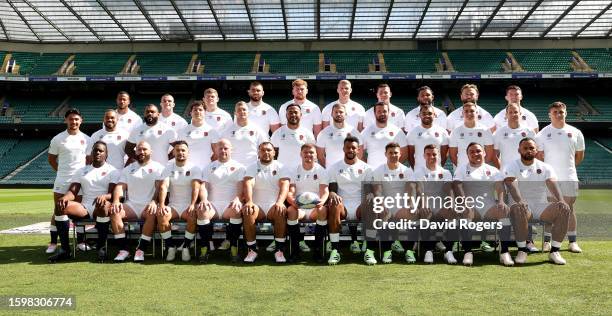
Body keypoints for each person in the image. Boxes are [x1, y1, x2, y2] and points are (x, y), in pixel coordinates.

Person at [503, 138, 571, 265]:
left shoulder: (545, 167)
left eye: (531, 148)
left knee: (564, 208)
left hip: (540, 206)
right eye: (525, 148)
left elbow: (552, 184)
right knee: (519, 208)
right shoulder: (511, 165)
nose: (529, 150)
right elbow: (511, 183)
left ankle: (554, 251)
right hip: (520, 206)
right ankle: (522, 250)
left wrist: (561, 201)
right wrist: (520, 201)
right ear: (519, 150)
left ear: (536, 150)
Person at [49, 141, 118, 262]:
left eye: (101, 150)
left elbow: (112, 194)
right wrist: (65, 198)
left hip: (101, 206)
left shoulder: (112, 171)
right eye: (95, 150)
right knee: (60, 206)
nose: (97, 152)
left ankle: (101, 249)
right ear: (91, 153)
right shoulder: (82, 171)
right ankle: (65, 250)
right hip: (85, 207)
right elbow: (72, 192)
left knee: (103, 206)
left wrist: (105, 197)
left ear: (106, 154)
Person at [536, 101, 585, 253]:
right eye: (555, 112)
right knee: (551, 209)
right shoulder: (542, 134)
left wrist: (568, 169)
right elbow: (539, 157)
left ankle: (572, 242)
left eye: (561, 112)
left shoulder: (576, 132)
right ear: (550, 114)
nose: (558, 114)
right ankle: (547, 241)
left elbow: (579, 156)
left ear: (565, 113)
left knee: (569, 209)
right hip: (551, 179)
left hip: (569, 177)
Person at [452, 142, 509, 266]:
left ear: (484, 153)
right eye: (471, 152)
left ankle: (504, 252)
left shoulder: (493, 170)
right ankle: (468, 252)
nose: (475, 154)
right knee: (466, 212)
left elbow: (500, 187)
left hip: (488, 206)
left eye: (478, 151)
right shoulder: (461, 169)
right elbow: (457, 186)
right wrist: (464, 202)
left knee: (504, 210)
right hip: (470, 206)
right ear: (467, 155)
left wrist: (501, 201)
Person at [110, 141, 165, 262]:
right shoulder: (128, 169)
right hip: (132, 205)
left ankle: (141, 250)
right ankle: (124, 250)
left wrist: (154, 202)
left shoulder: (158, 168)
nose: (142, 152)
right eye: (139, 150)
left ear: (151, 152)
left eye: (145, 149)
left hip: (149, 204)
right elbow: (120, 187)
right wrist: (115, 201)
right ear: (135, 152)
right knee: (114, 211)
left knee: (152, 212)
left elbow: (159, 188)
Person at [46, 108, 91, 255]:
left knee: (78, 211)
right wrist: (61, 172)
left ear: (81, 121)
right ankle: (53, 242)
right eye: (71, 119)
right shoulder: (58, 139)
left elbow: (89, 160)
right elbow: (52, 160)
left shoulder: (87, 139)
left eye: (77, 119)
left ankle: (81, 242)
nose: (74, 122)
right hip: (62, 180)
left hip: (79, 183)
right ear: (66, 120)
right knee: (57, 210)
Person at [326, 136, 373, 265]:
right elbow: (332, 189)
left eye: (354, 148)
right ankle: (335, 250)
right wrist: (332, 194)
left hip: (360, 206)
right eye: (348, 147)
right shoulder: (334, 167)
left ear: (358, 150)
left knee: (372, 204)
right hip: (343, 206)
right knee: (334, 204)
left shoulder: (367, 168)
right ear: (343, 149)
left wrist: (370, 197)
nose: (350, 150)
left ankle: (369, 250)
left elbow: (369, 190)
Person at [242, 142, 290, 263]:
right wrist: (249, 202)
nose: (266, 153)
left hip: (274, 205)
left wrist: (279, 202)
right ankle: (252, 250)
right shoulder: (252, 167)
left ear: (274, 152)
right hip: (258, 206)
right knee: (248, 210)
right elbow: (248, 183)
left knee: (281, 210)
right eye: (263, 150)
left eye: (269, 150)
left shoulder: (282, 167)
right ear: (258, 152)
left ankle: (279, 251)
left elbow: (285, 186)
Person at [199, 139, 246, 263]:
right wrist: (204, 199)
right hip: (213, 205)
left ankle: (233, 248)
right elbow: (204, 186)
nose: (223, 150)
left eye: (226, 148)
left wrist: (237, 198)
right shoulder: (208, 167)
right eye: (220, 148)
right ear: (215, 150)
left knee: (237, 210)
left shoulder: (239, 167)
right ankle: (205, 248)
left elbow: (241, 186)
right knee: (202, 210)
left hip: (230, 205)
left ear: (231, 150)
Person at [369, 142, 414, 264]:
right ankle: (386, 252)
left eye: (396, 153)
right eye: (390, 153)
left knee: (411, 213)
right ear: (385, 154)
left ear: (400, 154)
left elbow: (410, 191)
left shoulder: (407, 171)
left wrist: (409, 205)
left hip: (401, 205)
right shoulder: (378, 170)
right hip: (386, 204)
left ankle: (409, 251)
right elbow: (377, 191)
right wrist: (382, 205)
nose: (393, 155)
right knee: (383, 214)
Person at [157, 141, 202, 262]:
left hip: (189, 206)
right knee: (161, 215)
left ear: (188, 153)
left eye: (183, 150)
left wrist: (192, 205)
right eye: (177, 150)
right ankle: (171, 247)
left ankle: (186, 247)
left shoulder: (194, 168)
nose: (180, 153)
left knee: (193, 215)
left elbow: (196, 187)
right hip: (174, 206)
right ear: (174, 152)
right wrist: (161, 205)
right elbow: (163, 187)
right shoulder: (168, 167)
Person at [285, 144, 329, 262]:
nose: (308, 155)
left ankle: (318, 250)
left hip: (315, 208)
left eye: (311, 152)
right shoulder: (294, 170)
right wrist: (293, 202)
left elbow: (325, 192)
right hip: (299, 208)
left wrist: (321, 202)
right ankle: (295, 251)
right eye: (305, 152)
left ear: (316, 155)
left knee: (323, 210)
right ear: (301, 154)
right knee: (290, 211)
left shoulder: (321, 170)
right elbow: (290, 192)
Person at [413, 144, 456, 264]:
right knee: (426, 214)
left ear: (439, 156)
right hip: (424, 204)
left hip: (440, 206)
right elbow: (420, 191)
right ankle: (428, 250)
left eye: (434, 154)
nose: (432, 156)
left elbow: (449, 191)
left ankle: (448, 252)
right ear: (424, 156)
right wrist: (425, 205)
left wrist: (450, 204)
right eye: (428, 154)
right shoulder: (419, 172)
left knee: (451, 213)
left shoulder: (446, 172)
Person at [449, 102, 498, 169]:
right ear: (462, 114)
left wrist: (479, 168)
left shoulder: (485, 130)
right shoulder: (456, 131)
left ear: (477, 113)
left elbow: (489, 155)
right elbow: (452, 155)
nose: (469, 113)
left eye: (472, 111)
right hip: (462, 172)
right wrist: (462, 169)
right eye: (466, 111)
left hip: (480, 172)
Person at [221, 101, 268, 167]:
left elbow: (264, 149)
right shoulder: (227, 131)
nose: (242, 112)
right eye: (239, 110)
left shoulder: (257, 130)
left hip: (252, 169)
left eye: (244, 109)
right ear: (235, 113)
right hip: (233, 170)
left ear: (248, 112)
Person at [361, 102, 408, 168]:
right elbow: (359, 153)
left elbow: (405, 153)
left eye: (384, 111)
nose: (382, 114)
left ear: (388, 113)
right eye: (379, 111)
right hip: (372, 174)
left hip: (391, 174)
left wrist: (393, 167)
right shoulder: (366, 132)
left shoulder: (397, 131)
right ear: (374, 113)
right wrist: (368, 168)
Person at [316, 102, 362, 168]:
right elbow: (320, 156)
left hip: (349, 172)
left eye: (341, 112)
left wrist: (352, 166)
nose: (338, 114)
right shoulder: (323, 133)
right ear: (331, 114)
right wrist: (330, 169)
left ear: (346, 114)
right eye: (336, 112)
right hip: (331, 174)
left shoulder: (354, 132)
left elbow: (360, 153)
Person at [271, 103, 316, 170]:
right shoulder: (277, 133)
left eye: (295, 112)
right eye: (290, 112)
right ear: (286, 115)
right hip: (282, 172)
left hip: (301, 173)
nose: (293, 115)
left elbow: (313, 155)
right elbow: (273, 155)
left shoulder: (307, 133)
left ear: (300, 115)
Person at [177, 101, 219, 168]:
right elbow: (177, 152)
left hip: (205, 169)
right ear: (191, 113)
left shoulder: (212, 131)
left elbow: (216, 153)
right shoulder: (182, 131)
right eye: (195, 110)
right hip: (187, 169)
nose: (198, 111)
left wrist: (209, 166)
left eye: (200, 110)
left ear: (205, 112)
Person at [406, 105, 450, 169]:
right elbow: (410, 155)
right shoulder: (412, 132)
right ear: (419, 115)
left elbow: (444, 155)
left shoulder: (442, 132)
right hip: (418, 172)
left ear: (434, 115)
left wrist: (438, 167)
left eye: (430, 113)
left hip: (436, 173)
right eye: (424, 113)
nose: (427, 115)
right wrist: (415, 170)